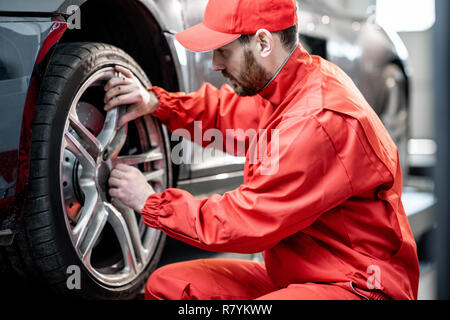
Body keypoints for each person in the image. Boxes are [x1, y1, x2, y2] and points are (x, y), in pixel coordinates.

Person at [104, 0, 419, 300]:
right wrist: (157, 103)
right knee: (169, 286)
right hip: (298, 274)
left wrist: (151, 202)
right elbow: (225, 114)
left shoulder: (318, 119)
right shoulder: (286, 87)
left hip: (357, 284)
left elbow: (245, 221)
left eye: (224, 51)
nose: (215, 64)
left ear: (263, 43)